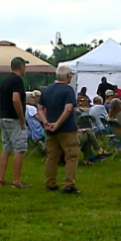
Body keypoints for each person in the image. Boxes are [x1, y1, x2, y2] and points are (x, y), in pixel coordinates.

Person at [38, 65, 80, 194]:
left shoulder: (47, 90)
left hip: (50, 129)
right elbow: (68, 109)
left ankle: (50, 183)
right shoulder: (68, 90)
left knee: (52, 156)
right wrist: (57, 123)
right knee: (72, 155)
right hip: (66, 128)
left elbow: (40, 108)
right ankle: (68, 185)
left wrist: (46, 122)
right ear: (67, 77)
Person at [0, 56, 29, 188]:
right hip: (14, 119)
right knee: (19, 149)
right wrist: (21, 118)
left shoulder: (4, 80)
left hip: (3, 117)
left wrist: (1, 111)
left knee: (6, 148)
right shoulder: (17, 81)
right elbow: (16, 99)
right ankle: (16, 180)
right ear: (21, 67)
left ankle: (1, 178)